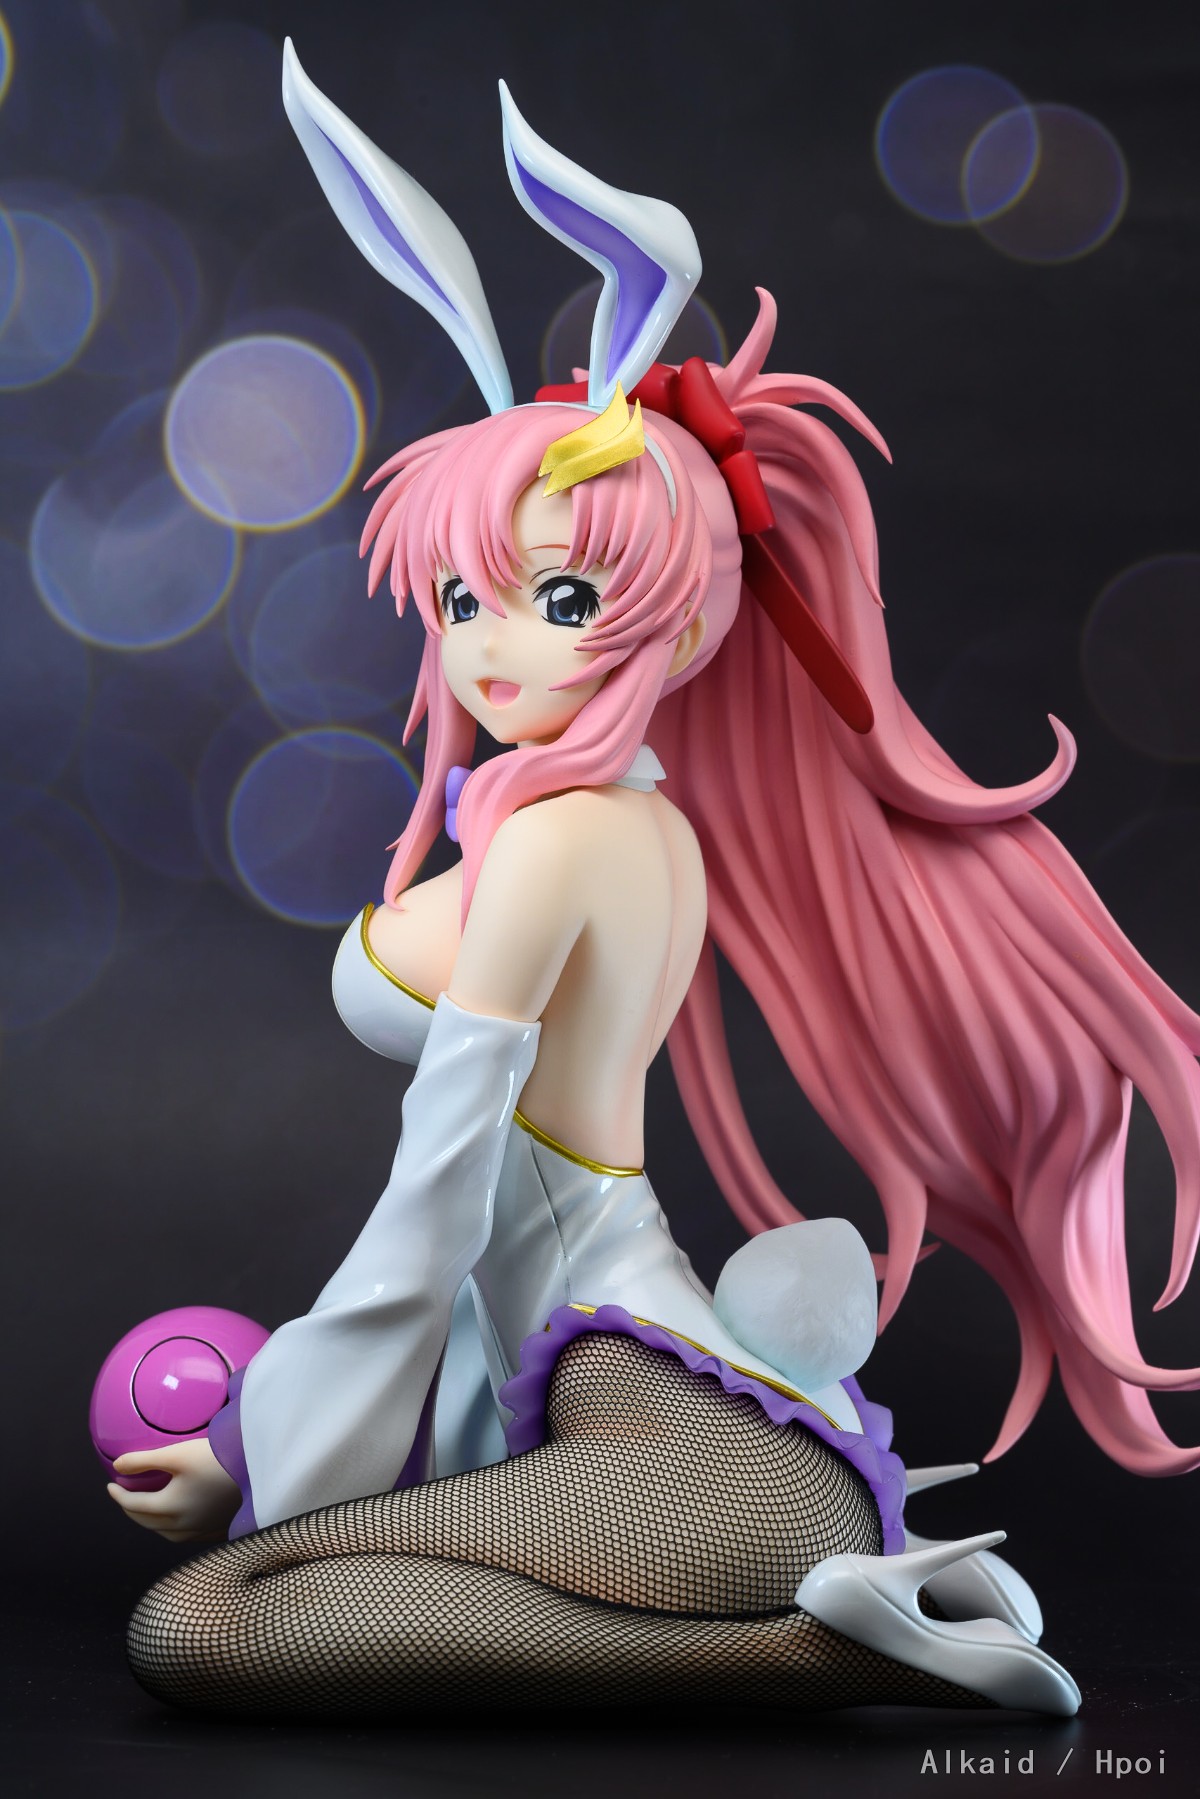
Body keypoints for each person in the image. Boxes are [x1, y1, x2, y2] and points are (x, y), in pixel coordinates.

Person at [106, 44, 1199, 1717]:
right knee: (263, 1599)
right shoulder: (625, 824)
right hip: (663, 1435)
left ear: (679, 622)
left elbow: (445, 1192)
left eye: (557, 603)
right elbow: (500, 1230)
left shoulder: (560, 842)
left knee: (203, 1622)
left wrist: (269, 1452)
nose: (490, 652)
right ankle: (864, 1614)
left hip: (685, 1460)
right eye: (461, 602)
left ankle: (833, 1642)